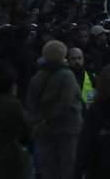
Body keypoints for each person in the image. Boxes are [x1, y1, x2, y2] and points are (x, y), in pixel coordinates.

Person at [26, 40, 83, 179]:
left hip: (44, 129)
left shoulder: (38, 76)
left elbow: (30, 103)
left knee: (48, 166)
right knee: (68, 165)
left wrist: (38, 120)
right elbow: (68, 101)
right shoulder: (67, 76)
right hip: (67, 128)